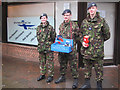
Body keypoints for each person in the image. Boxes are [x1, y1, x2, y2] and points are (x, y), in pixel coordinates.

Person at [79, 2, 110, 90]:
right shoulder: (84, 22)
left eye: (93, 8)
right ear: (88, 10)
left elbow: (107, 35)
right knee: (87, 69)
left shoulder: (102, 21)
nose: (91, 10)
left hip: (97, 52)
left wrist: (98, 42)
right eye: (90, 8)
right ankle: (87, 84)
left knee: (99, 70)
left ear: (96, 9)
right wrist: (82, 42)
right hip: (86, 51)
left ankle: (99, 86)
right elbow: (80, 34)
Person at [54, 9, 79, 89]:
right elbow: (60, 36)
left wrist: (74, 43)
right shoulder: (61, 25)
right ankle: (62, 77)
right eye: (64, 15)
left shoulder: (74, 25)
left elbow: (78, 37)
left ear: (70, 15)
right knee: (62, 64)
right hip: (62, 49)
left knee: (73, 65)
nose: (66, 16)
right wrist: (58, 39)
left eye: (67, 15)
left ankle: (75, 79)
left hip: (71, 50)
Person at [36, 13, 56, 83]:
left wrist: (49, 44)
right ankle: (42, 74)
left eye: (44, 18)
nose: (43, 19)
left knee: (50, 62)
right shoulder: (38, 28)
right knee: (42, 62)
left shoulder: (50, 27)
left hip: (48, 48)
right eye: (42, 18)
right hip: (41, 48)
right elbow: (38, 38)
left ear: (46, 18)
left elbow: (53, 37)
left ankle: (50, 76)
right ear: (40, 19)